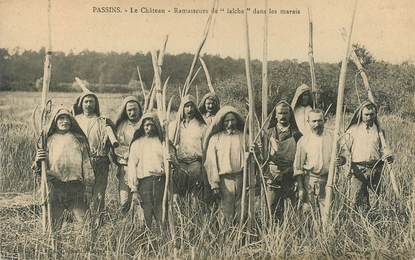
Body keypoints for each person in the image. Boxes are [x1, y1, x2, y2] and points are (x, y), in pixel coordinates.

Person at [32, 107, 95, 231]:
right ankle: (53, 247)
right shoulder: (48, 141)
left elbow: (87, 165)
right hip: (55, 186)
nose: (64, 121)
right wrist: (38, 160)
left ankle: (86, 248)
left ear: (72, 121)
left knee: (85, 223)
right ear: (55, 121)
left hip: (76, 186)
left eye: (67, 119)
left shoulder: (79, 140)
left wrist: (88, 187)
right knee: (53, 225)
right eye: (61, 118)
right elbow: (38, 169)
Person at [342, 101, 394, 213]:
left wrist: (388, 155)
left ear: (375, 114)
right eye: (366, 114)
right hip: (358, 169)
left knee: (381, 197)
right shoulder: (353, 130)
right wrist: (346, 166)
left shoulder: (379, 130)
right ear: (361, 114)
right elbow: (345, 150)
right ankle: (359, 220)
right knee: (357, 199)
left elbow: (384, 148)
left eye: (372, 114)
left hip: (375, 168)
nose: (369, 117)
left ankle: (380, 218)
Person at [72, 89, 116, 218]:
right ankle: (84, 220)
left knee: (99, 194)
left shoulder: (102, 121)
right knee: (82, 192)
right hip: (80, 161)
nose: (88, 104)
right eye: (86, 101)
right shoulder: (75, 120)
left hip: (100, 161)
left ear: (96, 104)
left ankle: (99, 220)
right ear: (81, 104)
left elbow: (111, 141)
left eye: (91, 101)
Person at [293, 109, 345, 217]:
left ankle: (326, 233)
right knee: (309, 214)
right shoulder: (303, 141)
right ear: (308, 122)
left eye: (320, 121)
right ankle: (311, 233)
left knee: (328, 214)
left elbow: (343, 154)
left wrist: (342, 160)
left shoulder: (333, 137)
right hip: (310, 181)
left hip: (328, 181)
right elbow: (298, 167)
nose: (317, 124)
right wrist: (301, 188)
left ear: (324, 120)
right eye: (314, 121)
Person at [128, 113, 175, 229]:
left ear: (156, 126)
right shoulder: (137, 143)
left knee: (161, 213)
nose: (149, 128)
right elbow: (132, 166)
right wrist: (134, 188)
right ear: (142, 126)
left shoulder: (163, 142)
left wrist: (171, 159)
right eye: (146, 125)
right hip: (145, 183)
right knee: (146, 213)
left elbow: (171, 160)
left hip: (161, 182)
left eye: (151, 125)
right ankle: (146, 241)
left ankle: (162, 239)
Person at [204, 106, 245, 224]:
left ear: (237, 121)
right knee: (225, 212)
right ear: (222, 123)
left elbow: (253, 157)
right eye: (227, 121)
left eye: (233, 120)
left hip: (241, 177)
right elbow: (211, 162)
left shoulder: (244, 137)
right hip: (224, 180)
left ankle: (241, 238)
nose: (230, 123)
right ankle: (226, 238)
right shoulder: (216, 139)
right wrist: (214, 184)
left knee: (241, 211)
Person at [265, 100, 302, 223]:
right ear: (275, 115)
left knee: (293, 209)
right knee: (273, 209)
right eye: (280, 113)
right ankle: (273, 234)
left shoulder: (297, 134)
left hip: (290, 175)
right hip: (273, 176)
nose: (283, 116)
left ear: (290, 115)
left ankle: (292, 234)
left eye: (286, 113)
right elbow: (262, 158)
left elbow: (302, 156)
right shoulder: (268, 133)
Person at [169, 95, 207, 201]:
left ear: (195, 108)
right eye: (186, 106)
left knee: (195, 189)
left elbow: (205, 147)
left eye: (192, 106)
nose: (189, 109)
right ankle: (179, 212)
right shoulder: (176, 126)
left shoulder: (202, 126)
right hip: (180, 162)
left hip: (195, 161)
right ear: (182, 108)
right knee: (178, 187)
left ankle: (194, 211)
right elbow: (171, 144)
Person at [113, 96, 142, 215]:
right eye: (129, 110)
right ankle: (124, 224)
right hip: (125, 166)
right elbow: (117, 146)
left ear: (139, 110)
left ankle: (140, 226)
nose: (132, 112)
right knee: (125, 200)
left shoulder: (145, 123)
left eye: (134, 109)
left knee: (140, 199)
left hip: (142, 167)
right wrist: (128, 154)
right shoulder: (122, 126)